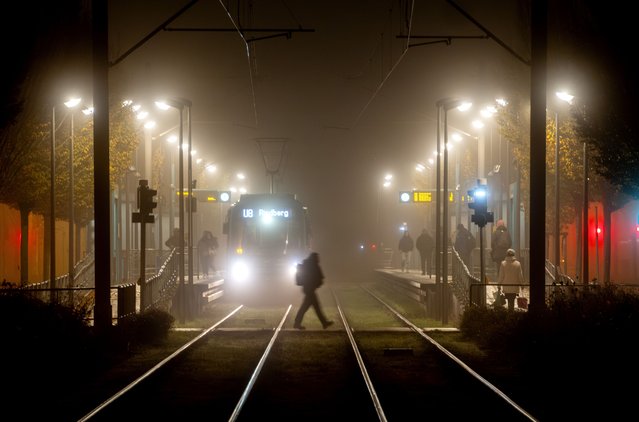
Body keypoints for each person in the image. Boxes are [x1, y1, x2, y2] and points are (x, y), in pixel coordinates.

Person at [293, 252, 334, 330]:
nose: (319, 259)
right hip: (310, 289)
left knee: (308, 307)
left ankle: (297, 323)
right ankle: (324, 322)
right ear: (315, 258)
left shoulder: (307, 264)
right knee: (314, 307)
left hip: (307, 289)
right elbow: (319, 277)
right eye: (318, 258)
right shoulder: (313, 265)